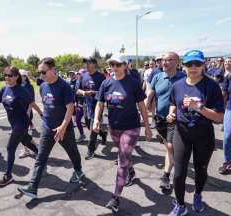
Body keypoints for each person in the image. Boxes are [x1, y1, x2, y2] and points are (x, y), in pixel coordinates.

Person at [167, 50, 224, 216]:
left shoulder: (211, 86)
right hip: (182, 133)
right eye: (189, 64)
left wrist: (197, 107)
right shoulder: (177, 85)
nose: (193, 67)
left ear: (203, 65)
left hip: (203, 135)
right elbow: (173, 103)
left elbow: (219, 117)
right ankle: (180, 204)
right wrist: (171, 114)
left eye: (197, 64)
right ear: (183, 66)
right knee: (178, 173)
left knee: (201, 170)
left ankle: (198, 195)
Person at [93, 53, 152, 213]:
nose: (114, 67)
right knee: (125, 155)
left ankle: (115, 198)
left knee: (122, 158)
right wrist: (96, 120)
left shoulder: (133, 83)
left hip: (131, 127)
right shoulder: (106, 83)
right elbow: (99, 103)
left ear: (125, 65)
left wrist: (147, 127)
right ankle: (131, 173)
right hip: (114, 127)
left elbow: (142, 107)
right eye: (112, 64)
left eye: (118, 64)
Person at [19, 57, 84, 199]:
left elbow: (70, 108)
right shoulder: (43, 86)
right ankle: (32, 187)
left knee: (72, 151)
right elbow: (47, 105)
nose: (41, 75)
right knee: (41, 157)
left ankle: (78, 170)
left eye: (43, 72)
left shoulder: (64, 86)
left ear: (53, 70)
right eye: (39, 72)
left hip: (63, 128)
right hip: (47, 127)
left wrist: (63, 126)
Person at [0, 67, 41, 186]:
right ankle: (41, 155)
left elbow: (32, 103)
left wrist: (41, 114)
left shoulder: (21, 90)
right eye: (6, 75)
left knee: (10, 147)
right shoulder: (4, 89)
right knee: (26, 140)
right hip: (13, 123)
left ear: (16, 77)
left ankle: (8, 176)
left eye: (10, 75)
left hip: (22, 122)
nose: (7, 78)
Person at [146, 52, 185, 191]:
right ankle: (176, 163)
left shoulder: (183, 78)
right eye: (163, 60)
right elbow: (151, 92)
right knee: (169, 148)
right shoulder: (157, 76)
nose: (165, 62)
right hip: (160, 119)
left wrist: (176, 112)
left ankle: (166, 176)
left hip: (176, 120)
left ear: (177, 62)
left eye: (169, 60)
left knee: (170, 146)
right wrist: (148, 104)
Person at [77, 57, 107, 160]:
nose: (86, 65)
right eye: (86, 64)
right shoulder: (83, 76)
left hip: (98, 105)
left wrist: (94, 93)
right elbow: (78, 90)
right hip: (87, 105)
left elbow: (106, 92)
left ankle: (91, 150)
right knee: (91, 127)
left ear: (94, 64)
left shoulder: (101, 77)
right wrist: (85, 92)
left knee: (92, 128)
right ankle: (103, 134)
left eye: (88, 63)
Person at [19, 69, 39, 159]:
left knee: (23, 133)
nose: (21, 77)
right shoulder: (16, 86)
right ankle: (32, 147)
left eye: (22, 76)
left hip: (27, 112)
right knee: (23, 133)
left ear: (25, 77)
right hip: (18, 113)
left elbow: (32, 101)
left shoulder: (29, 87)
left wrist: (28, 111)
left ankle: (29, 150)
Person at [219, 57, 231, 174]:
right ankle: (228, 161)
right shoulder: (228, 77)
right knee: (228, 136)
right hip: (229, 108)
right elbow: (224, 94)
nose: (228, 64)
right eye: (227, 62)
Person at [67, 71, 86, 142]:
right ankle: (82, 135)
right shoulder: (69, 82)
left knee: (89, 123)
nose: (71, 75)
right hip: (75, 103)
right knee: (76, 120)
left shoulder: (79, 83)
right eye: (70, 74)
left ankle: (102, 133)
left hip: (84, 104)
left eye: (72, 74)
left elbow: (79, 93)